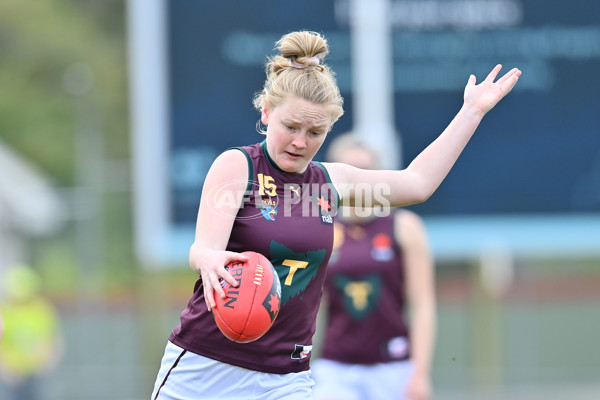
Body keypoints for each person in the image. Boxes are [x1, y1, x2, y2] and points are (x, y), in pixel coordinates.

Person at [150, 30, 521, 400]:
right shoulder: (238, 166)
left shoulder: (331, 182)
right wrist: (209, 258)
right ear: (266, 112)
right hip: (207, 365)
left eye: (315, 131)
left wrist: (471, 112)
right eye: (291, 127)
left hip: (285, 379)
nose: (300, 142)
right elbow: (202, 250)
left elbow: (417, 183)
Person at [311, 134, 436, 400]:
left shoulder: (404, 227)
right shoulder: (323, 230)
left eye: (366, 169)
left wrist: (420, 374)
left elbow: (423, 304)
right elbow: (311, 306)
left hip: (392, 367)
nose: (360, 178)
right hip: (335, 368)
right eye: (351, 169)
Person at [0, 264, 64, 400]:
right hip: (9, 375)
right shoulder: (4, 310)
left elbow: (51, 338)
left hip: (36, 373)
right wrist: (5, 368)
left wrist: (48, 361)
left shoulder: (41, 309)